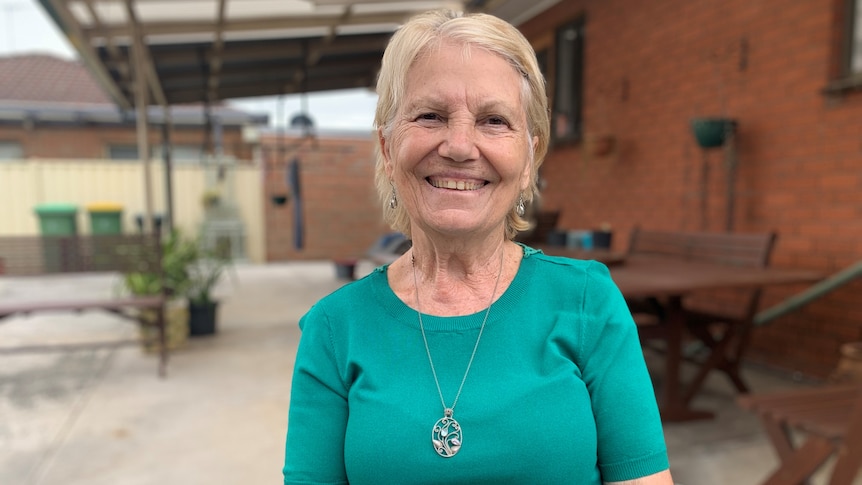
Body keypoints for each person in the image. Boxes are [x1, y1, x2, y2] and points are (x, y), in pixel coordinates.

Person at [283, 9, 673, 485]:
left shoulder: (588, 303)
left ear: (529, 158)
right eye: (430, 115)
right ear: (387, 149)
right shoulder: (334, 327)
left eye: (493, 120)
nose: (460, 146)